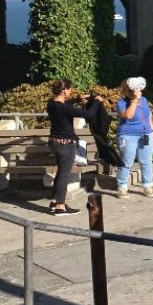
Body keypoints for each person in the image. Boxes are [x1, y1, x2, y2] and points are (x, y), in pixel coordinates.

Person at [45, 79, 100, 216]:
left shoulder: (51, 103)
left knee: (61, 173)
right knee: (64, 174)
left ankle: (55, 203)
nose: (71, 91)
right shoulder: (63, 107)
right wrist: (96, 101)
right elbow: (89, 114)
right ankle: (60, 207)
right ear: (64, 91)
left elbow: (65, 105)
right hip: (65, 145)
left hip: (55, 143)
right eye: (70, 89)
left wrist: (77, 99)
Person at [115, 76, 153, 199]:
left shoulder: (144, 100)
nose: (132, 92)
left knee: (146, 161)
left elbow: (148, 116)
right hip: (128, 135)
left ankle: (148, 186)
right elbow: (128, 116)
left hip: (145, 134)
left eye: (134, 90)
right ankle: (122, 187)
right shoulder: (121, 103)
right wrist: (134, 101)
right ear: (124, 91)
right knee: (126, 161)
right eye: (129, 90)